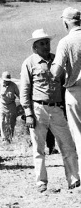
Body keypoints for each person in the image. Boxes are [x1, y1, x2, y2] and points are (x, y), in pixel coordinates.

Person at [20, 28, 79, 192]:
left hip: (57, 109)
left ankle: (74, 180)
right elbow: (24, 89)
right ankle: (41, 182)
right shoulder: (29, 63)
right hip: (38, 108)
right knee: (39, 148)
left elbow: (65, 82)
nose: (46, 46)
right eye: (42, 44)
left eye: (47, 43)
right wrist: (28, 113)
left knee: (67, 145)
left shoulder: (57, 61)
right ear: (35, 47)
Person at [51, 8, 81, 170]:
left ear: (66, 23)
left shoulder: (66, 42)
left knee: (79, 136)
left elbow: (56, 72)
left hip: (75, 92)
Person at [0, 71, 20, 142]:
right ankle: (4, 139)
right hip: (1, 105)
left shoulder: (14, 85)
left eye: (8, 81)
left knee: (11, 122)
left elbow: (19, 95)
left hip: (11, 106)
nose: (7, 82)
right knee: (2, 121)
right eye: (5, 81)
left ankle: (10, 138)